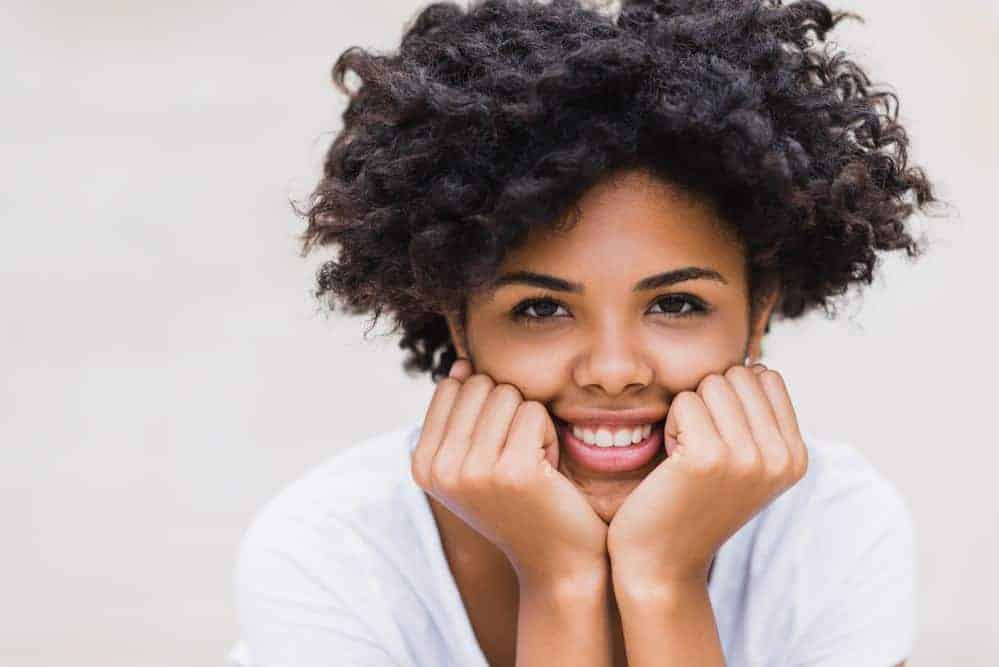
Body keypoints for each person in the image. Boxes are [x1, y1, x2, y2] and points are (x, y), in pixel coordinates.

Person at [228, 0, 939, 664]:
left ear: (758, 310)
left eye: (676, 304)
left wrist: (663, 579)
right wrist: (560, 579)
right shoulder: (327, 552)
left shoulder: (834, 528)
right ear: (457, 320)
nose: (612, 368)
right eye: (541, 309)